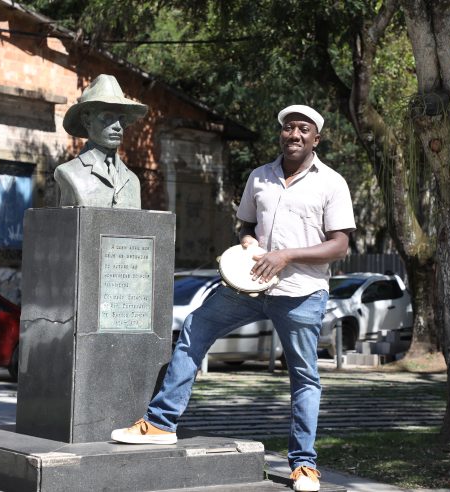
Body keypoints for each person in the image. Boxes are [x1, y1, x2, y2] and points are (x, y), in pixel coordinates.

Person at [111, 104, 355, 492]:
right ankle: (160, 423)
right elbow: (247, 223)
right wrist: (247, 240)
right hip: (249, 286)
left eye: (302, 129)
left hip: (301, 293)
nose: (294, 135)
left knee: (304, 376)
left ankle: (304, 465)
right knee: (196, 327)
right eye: (288, 128)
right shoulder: (260, 176)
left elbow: (340, 244)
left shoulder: (332, 182)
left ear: (315, 138)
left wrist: (286, 255)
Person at [55, 74, 148, 208]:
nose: (117, 126)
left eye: (121, 119)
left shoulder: (133, 180)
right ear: (87, 121)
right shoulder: (69, 172)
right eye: (108, 117)